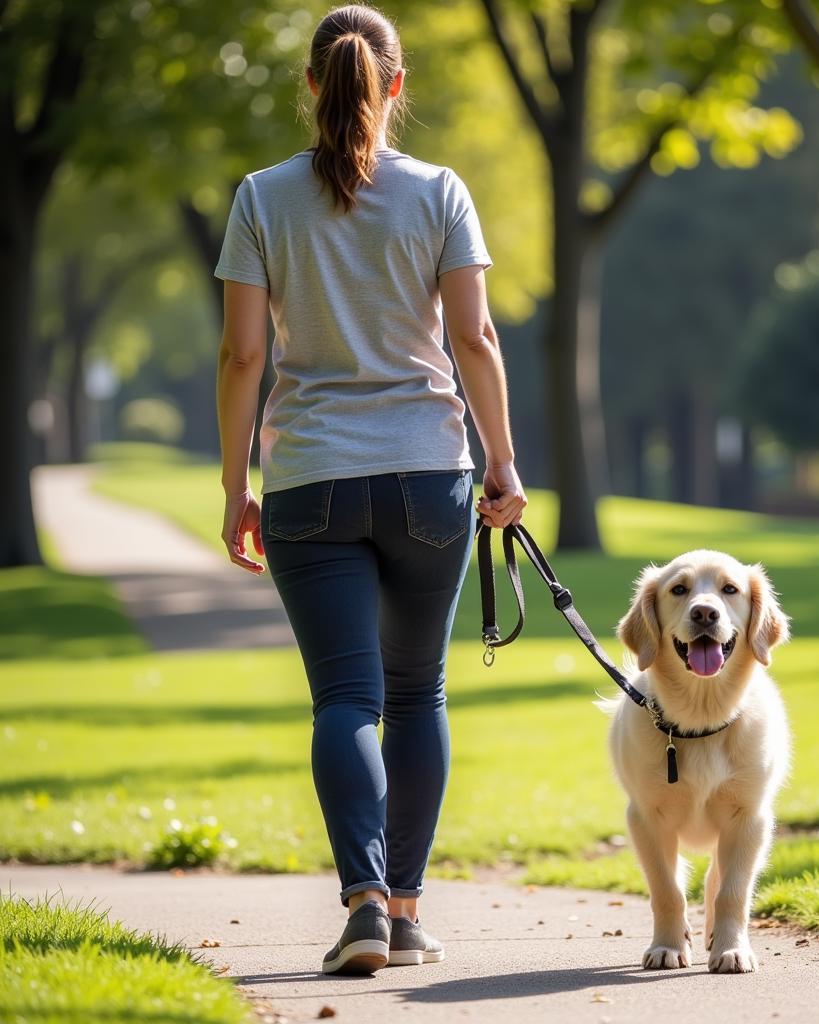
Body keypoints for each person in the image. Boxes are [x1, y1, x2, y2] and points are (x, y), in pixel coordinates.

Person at [213, 3, 526, 976]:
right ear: (396, 87)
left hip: (310, 480)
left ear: (311, 84)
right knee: (416, 689)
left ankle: (359, 903)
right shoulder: (440, 191)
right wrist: (504, 463)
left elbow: (242, 353)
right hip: (430, 474)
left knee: (345, 697)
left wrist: (235, 488)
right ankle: (406, 909)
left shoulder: (262, 198)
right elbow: (473, 338)